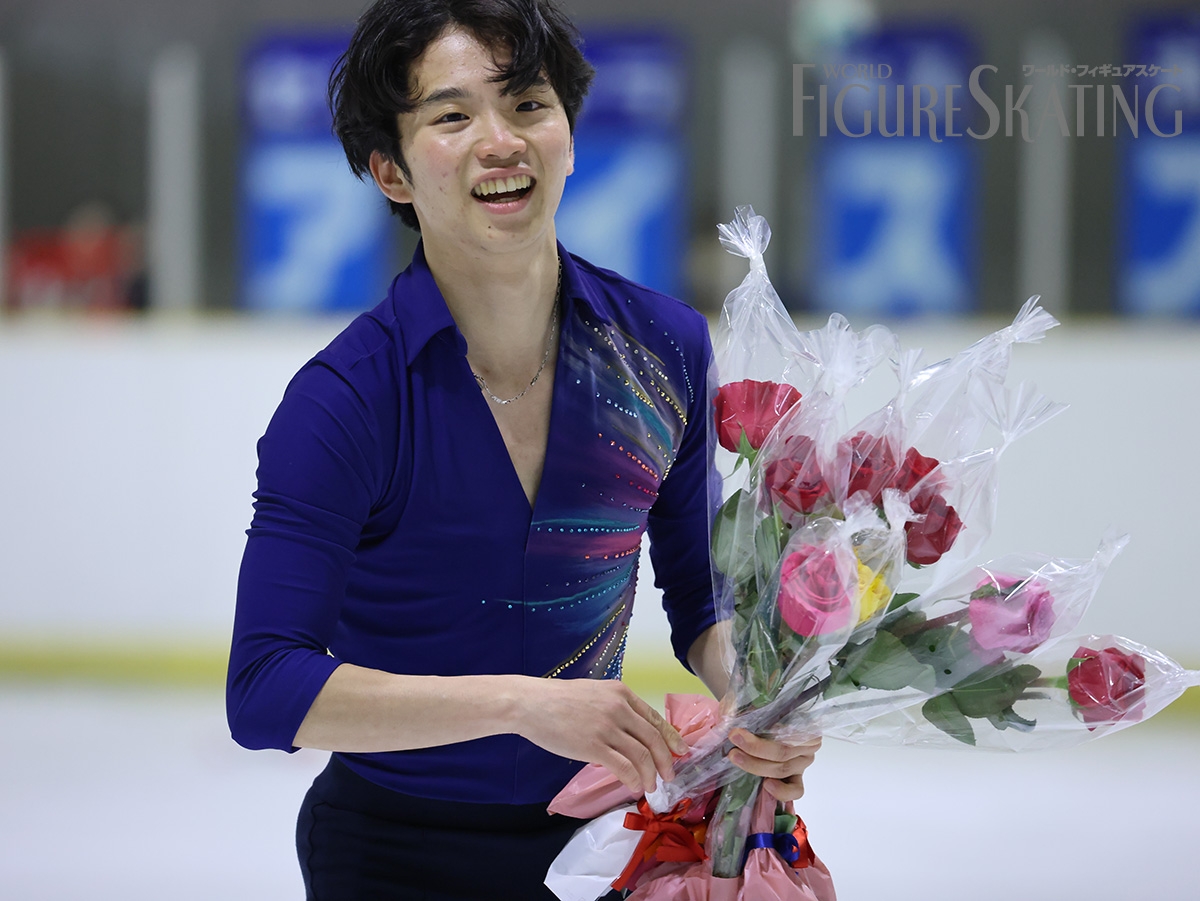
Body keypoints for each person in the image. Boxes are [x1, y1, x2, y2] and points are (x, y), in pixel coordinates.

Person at [225, 1, 818, 897]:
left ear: (569, 135)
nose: (501, 141)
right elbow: (265, 687)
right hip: (391, 854)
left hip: (603, 845)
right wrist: (519, 703)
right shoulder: (345, 401)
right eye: (452, 116)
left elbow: (701, 596)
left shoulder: (663, 350)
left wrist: (763, 698)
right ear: (390, 170)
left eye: (529, 104)